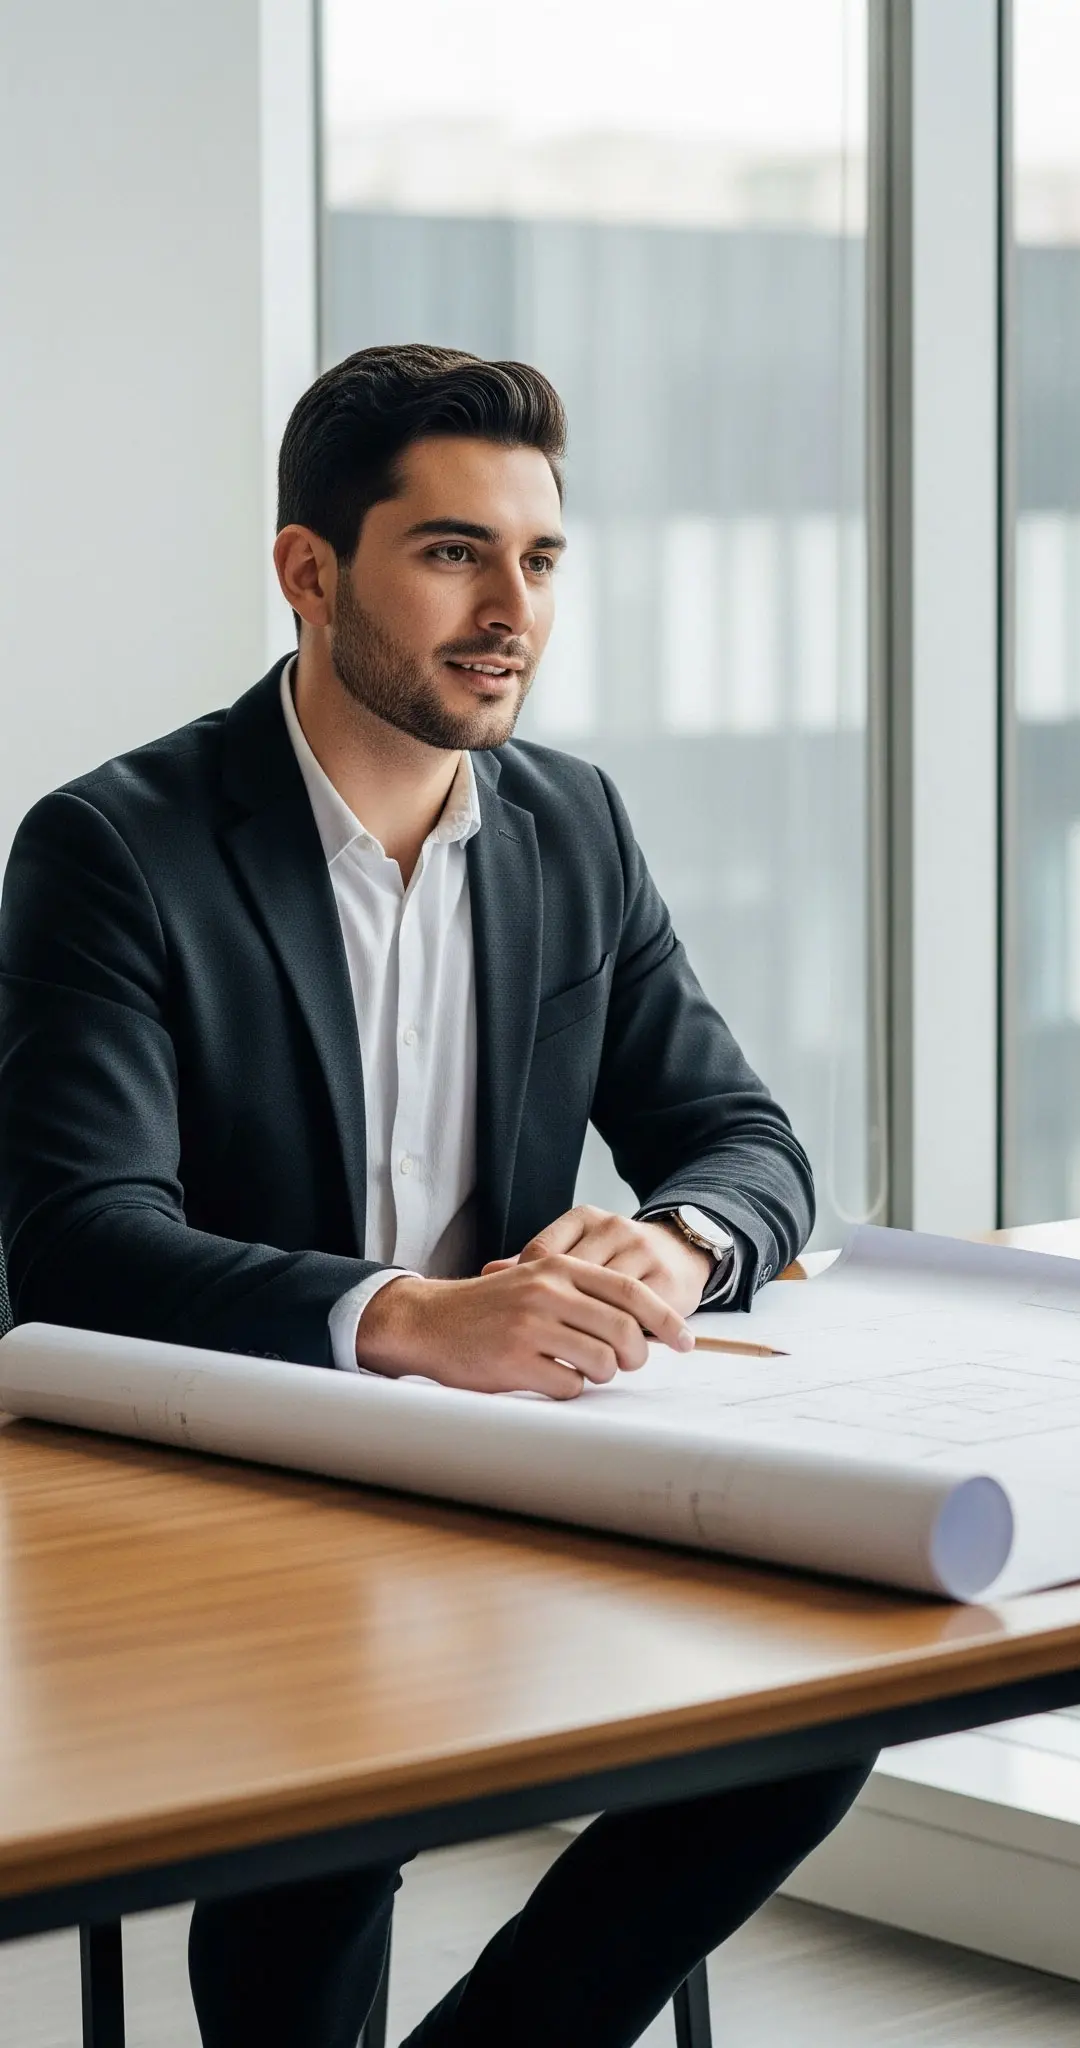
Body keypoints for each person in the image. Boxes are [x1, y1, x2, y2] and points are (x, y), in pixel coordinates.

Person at [0, 344, 868, 2048]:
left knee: (812, 1708)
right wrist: (410, 1320)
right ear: (309, 570)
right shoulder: (116, 848)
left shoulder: (575, 827)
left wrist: (676, 1248)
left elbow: (746, 1142)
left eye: (539, 561)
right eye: (454, 553)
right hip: (242, 1482)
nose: (511, 611)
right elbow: (71, 1241)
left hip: (519, 1465)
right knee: (330, 1821)